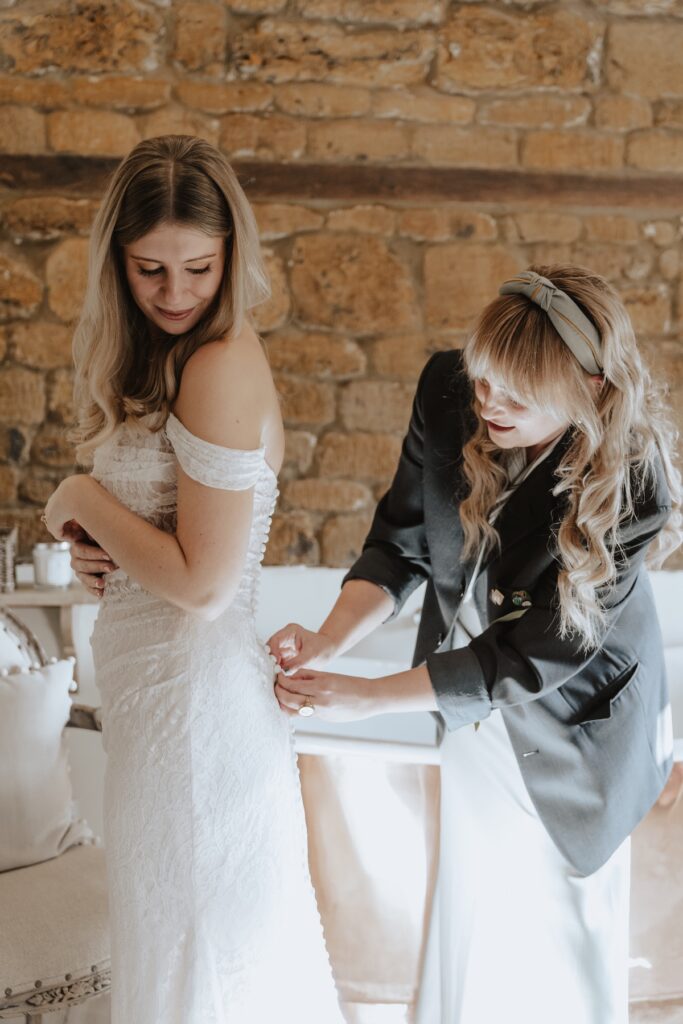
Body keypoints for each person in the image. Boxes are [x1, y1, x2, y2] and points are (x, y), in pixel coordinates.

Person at [267, 265, 682, 1024]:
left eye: (517, 395)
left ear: (588, 389)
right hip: (468, 712)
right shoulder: (448, 390)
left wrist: (366, 697)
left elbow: (536, 653)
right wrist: (328, 642)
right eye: (484, 378)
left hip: (580, 731)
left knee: (564, 943)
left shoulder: (637, 482)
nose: (488, 403)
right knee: (472, 919)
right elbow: (401, 544)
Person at [43, 134, 343, 1024]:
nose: (175, 294)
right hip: (157, 710)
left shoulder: (219, 364)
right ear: (116, 265)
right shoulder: (155, 364)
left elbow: (206, 585)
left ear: (230, 258)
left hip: (199, 719)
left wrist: (78, 495)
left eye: (198, 268)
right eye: (149, 270)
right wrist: (93, 545)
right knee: (173, 953)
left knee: (205, 968)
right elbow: (159, 551)